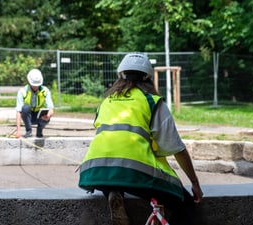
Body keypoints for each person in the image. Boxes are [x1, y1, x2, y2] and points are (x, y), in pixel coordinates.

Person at [78, 53, 203, 225]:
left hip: (95, 172)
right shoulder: (152, 102)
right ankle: (127, 192)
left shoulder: (106, 102)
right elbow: (176, 148)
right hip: (134, 171)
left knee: (116, 179)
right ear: (148, 77)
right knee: (185, 204)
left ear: (120, 75)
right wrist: (195, 183)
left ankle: (114, 193)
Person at [15, 68, 54, 138]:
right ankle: (28, 131)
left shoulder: (45, 91)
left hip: (40, 117)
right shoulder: (22, 91)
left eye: (37, 85)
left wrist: (48, 116)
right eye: (34, 85)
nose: (35, 87)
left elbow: (51, 109)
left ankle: (40, 130)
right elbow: (18, 112)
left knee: (46, 112)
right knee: (25, 108)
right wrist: (18, 130)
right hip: (28, 117)